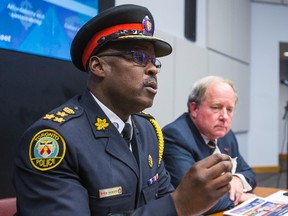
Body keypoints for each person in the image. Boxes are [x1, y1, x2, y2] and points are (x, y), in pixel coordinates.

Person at [13, 5, 233, 216]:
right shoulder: (55, 141)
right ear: (98, 67)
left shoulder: (147, 130)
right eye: (139, 57)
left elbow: (162, 198)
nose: (153, 68)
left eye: (154, 60)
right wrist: (179, 205)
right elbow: (171, 206)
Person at [162, 75, 257, 214]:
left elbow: (249, 173)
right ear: (194, 109)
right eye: (216, 107)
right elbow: (193, 196)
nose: (224, 116)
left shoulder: (226, 135)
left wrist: (237, 179)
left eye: (229, 109)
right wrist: (236, 196)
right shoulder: (175, 135)